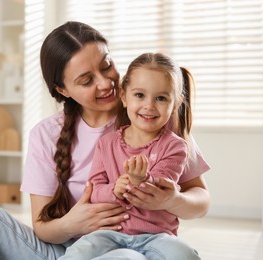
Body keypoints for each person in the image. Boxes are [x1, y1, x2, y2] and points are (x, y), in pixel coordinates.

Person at [0, 21, 210, 260]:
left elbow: (200, 199)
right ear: (63, 90)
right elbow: (42, 228)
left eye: (107, 66)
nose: (105, 83)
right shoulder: (47, 134)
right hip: (71, 249)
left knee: (126, 257)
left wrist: (170, 201)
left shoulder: (151, 116)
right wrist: (73, 223)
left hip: (130, 249)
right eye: (86, 80)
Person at [59, 52, 201, 260]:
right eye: (139, 95)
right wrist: (115, 189)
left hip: (157, 236)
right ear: (124, 96)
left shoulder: (176, 146)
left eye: (161, 98)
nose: (149, 106)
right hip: (109, 233)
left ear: (176, 103)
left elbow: (161, 187)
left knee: (185, 255)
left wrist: (140, 180)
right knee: (78, 252)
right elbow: (94, 191)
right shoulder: (107, 143)